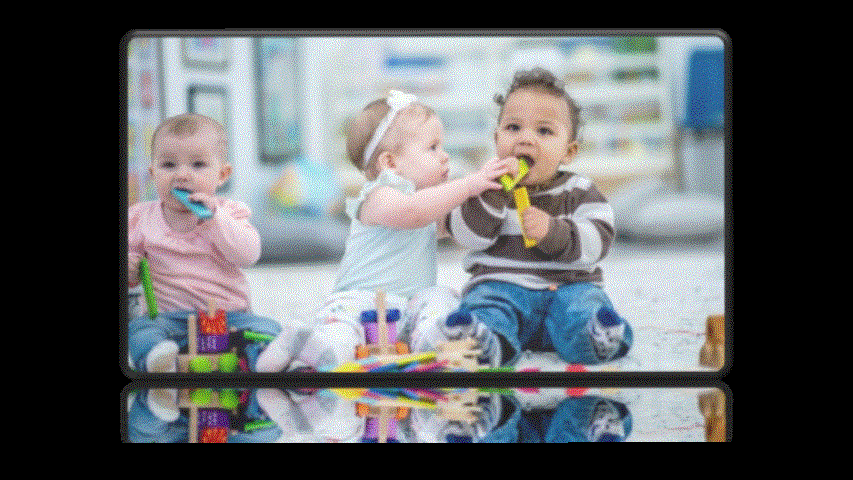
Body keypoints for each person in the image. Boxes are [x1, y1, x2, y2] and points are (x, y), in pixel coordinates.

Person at [260, 91, 512, 372]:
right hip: (362, 299)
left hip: (410, 307)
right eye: (433, 148)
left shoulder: (426, 202)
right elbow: (412, 212)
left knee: (442, 296)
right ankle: (309, 344)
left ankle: (437, 339)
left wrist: (490, 195)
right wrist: (468, 184)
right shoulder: (379, 196)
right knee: (345, 333)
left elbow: (459, 227)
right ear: (389, 163)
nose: (445, 156)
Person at [436, 68, 633, 367]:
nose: (525, 139)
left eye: (544, 131)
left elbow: (599, 241)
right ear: (496, 137)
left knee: (583, 306)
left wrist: (554, 231)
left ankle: (597, 337)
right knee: (485, 306)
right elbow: (465, 235)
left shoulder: (579, 190)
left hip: (567, 287)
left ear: (568, 152)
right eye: (513, 128)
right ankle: (483, 342)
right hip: (501, 287)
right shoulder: (482, 186)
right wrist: (494, 192)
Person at [127, 113, 284, 372]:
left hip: (229, 316)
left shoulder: (230, 213)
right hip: (170, 320)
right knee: (139, 332)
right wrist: (131, 270)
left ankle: (267, 363)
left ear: (222, 174)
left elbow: (248, 255)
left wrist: (216, 219)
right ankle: (161, 362)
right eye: (168, 165)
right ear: (153, 174)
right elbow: (131, 277)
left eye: (198, 165)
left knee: (267, 329)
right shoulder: (139, 218)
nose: (182, 176)